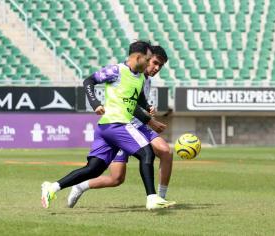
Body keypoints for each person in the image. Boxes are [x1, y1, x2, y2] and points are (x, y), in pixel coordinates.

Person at [41, 41, 175, 210]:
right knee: (147, 153)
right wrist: (95, 103)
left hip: (107, 128)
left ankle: (52, 187)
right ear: (139, 57)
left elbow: (138, 97)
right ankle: (153, 198)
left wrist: (147, 107)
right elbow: (89, 80)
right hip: (116, 124)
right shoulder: (116, 70)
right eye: (149, 60)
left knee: (94, 169)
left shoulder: (140, 77)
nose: (151, 64)